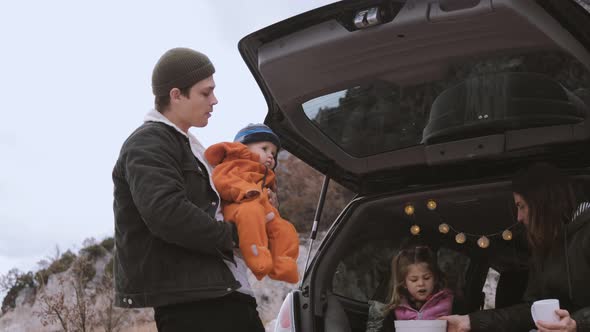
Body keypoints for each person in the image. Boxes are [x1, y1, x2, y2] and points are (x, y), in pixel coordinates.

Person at [112, 47, 265, 332]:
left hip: (222, 295)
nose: (215, 100)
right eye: (205, 93)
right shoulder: (147, 143)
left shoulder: (189, 147)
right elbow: (166, 214)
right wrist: (236, 235)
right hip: (195, 308)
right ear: (176, 95)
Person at [440, 162, 590, 332]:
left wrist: (578, 323)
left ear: (542, 202)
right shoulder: (543, 247)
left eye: (521, 206)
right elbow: (531, 311)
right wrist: (469, 322)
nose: (518, 217)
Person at [204, 124, 300, 283]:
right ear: (243, 147)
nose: (271, 156)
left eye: (274, 154)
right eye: (264, 149)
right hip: (238, 208)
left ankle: (283, 266)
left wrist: (273, 206)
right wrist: (245, 191)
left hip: (262, 211)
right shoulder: (233, 165)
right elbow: (222, 182)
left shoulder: (265, 176)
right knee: (252, 211)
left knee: (285, 229)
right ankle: (257, 258)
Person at [379, 245, 454, 332]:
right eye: (414, 280)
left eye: (427, 278)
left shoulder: (450, 302)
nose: (421, 283)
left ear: (435, 278)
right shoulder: (396, 310)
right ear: (404, 283)